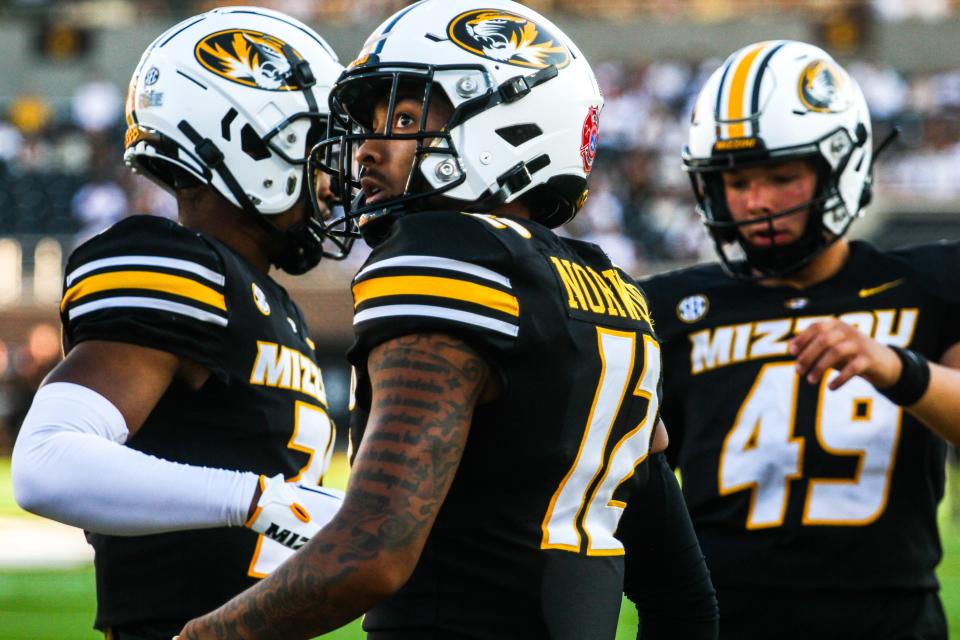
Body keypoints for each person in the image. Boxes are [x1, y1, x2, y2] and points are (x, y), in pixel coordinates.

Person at [177, 1, 683, 638]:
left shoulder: (441, 256)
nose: (364, 152)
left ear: (509, 124)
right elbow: (682, 592)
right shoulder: (614, 289)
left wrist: (201, 636)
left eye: (404, 118)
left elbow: (371, 553)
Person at [11, 7, 350, 639]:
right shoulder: (174, 262)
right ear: (253, 142)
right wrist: (262, 501)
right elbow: (47, 461)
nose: (332, 183)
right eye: (318, 150)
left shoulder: (273, 304)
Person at [640, 40, 960, 640]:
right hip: (722, 619)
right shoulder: (669, 305)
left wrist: (896, 367)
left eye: (782, 177)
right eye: (735, 183)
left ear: (842, 165)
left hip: (887, 620)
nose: (756, 203)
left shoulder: (928, 286)